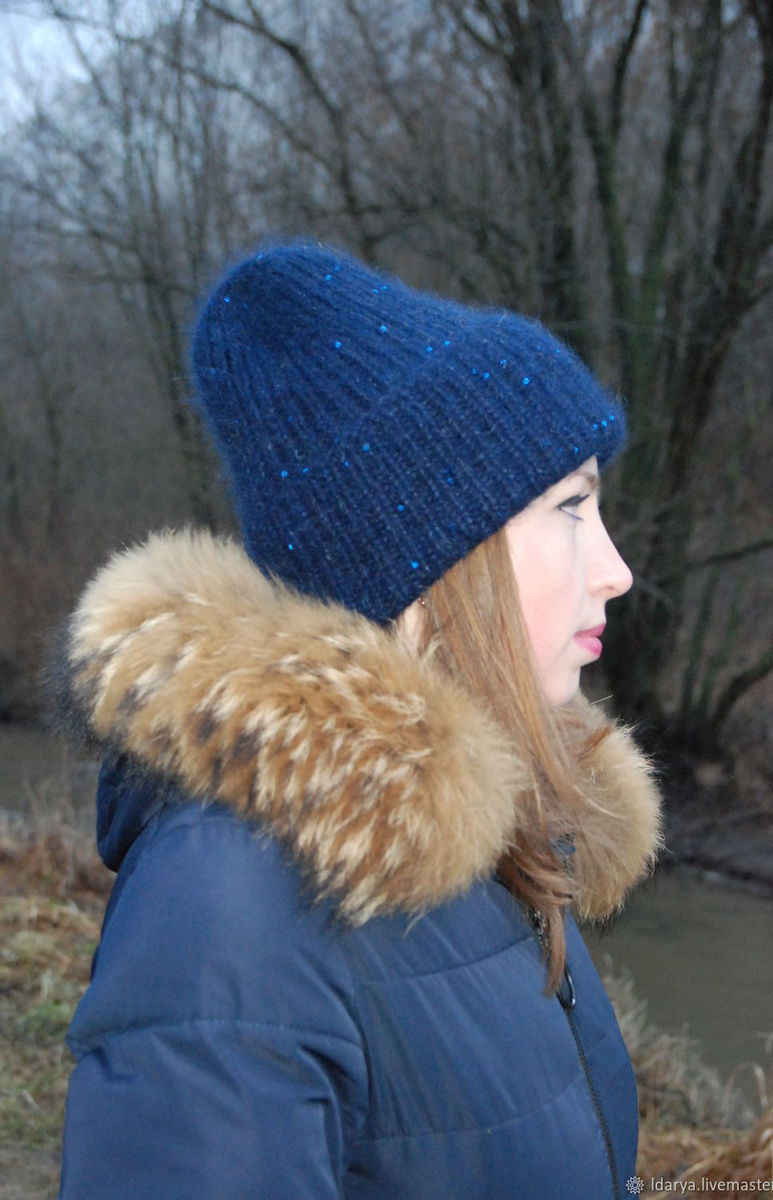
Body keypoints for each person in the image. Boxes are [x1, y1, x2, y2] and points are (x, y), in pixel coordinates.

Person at [55, 241, 661, 1199]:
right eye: (570, 507)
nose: (615, 570)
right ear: (425, 564)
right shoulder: (228, 903)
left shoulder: (490, 828)